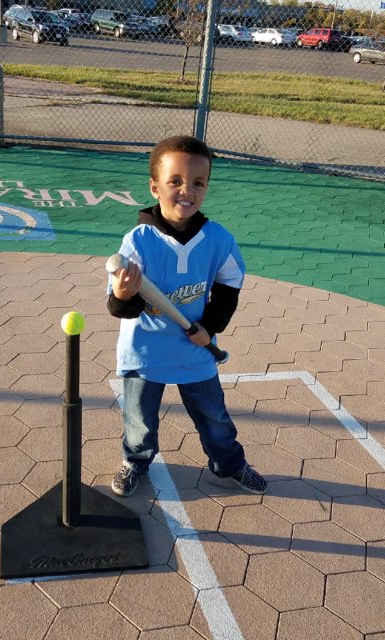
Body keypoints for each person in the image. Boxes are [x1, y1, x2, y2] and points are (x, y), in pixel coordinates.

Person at [107, 135, 268, 497]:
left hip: (195, 348)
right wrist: (123, 293)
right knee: (139, 421)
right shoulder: (138, 241)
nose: (187, 190)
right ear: (155, 187)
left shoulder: (218, 239)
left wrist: (209, 326)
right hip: (145, 352)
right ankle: (136, 461)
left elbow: (229, 285)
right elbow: (120, 306)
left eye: (198, 183)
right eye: (175, 181)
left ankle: (229, 465)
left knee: (215, 418)